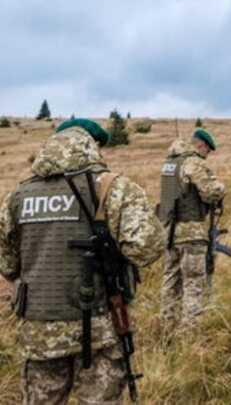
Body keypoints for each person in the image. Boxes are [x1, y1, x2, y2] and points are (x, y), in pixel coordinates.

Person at [0, 118, 165, 404]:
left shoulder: (19, 196)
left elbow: (7, 265)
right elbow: (146, 249)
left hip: (39, 332)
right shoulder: (113, 188)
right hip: (101, 326)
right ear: (93, 145)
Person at [159, 128, 225, 336]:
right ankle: (189, 335)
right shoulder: (194, 162)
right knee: (193, 283)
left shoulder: (169, 164)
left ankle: (167, 329)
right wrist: (222, 188)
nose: (207, 155)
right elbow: (211, 192)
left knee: (170, 281)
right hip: (191, 233)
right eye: (208, 151)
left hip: (169, 233)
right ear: (201, 145)